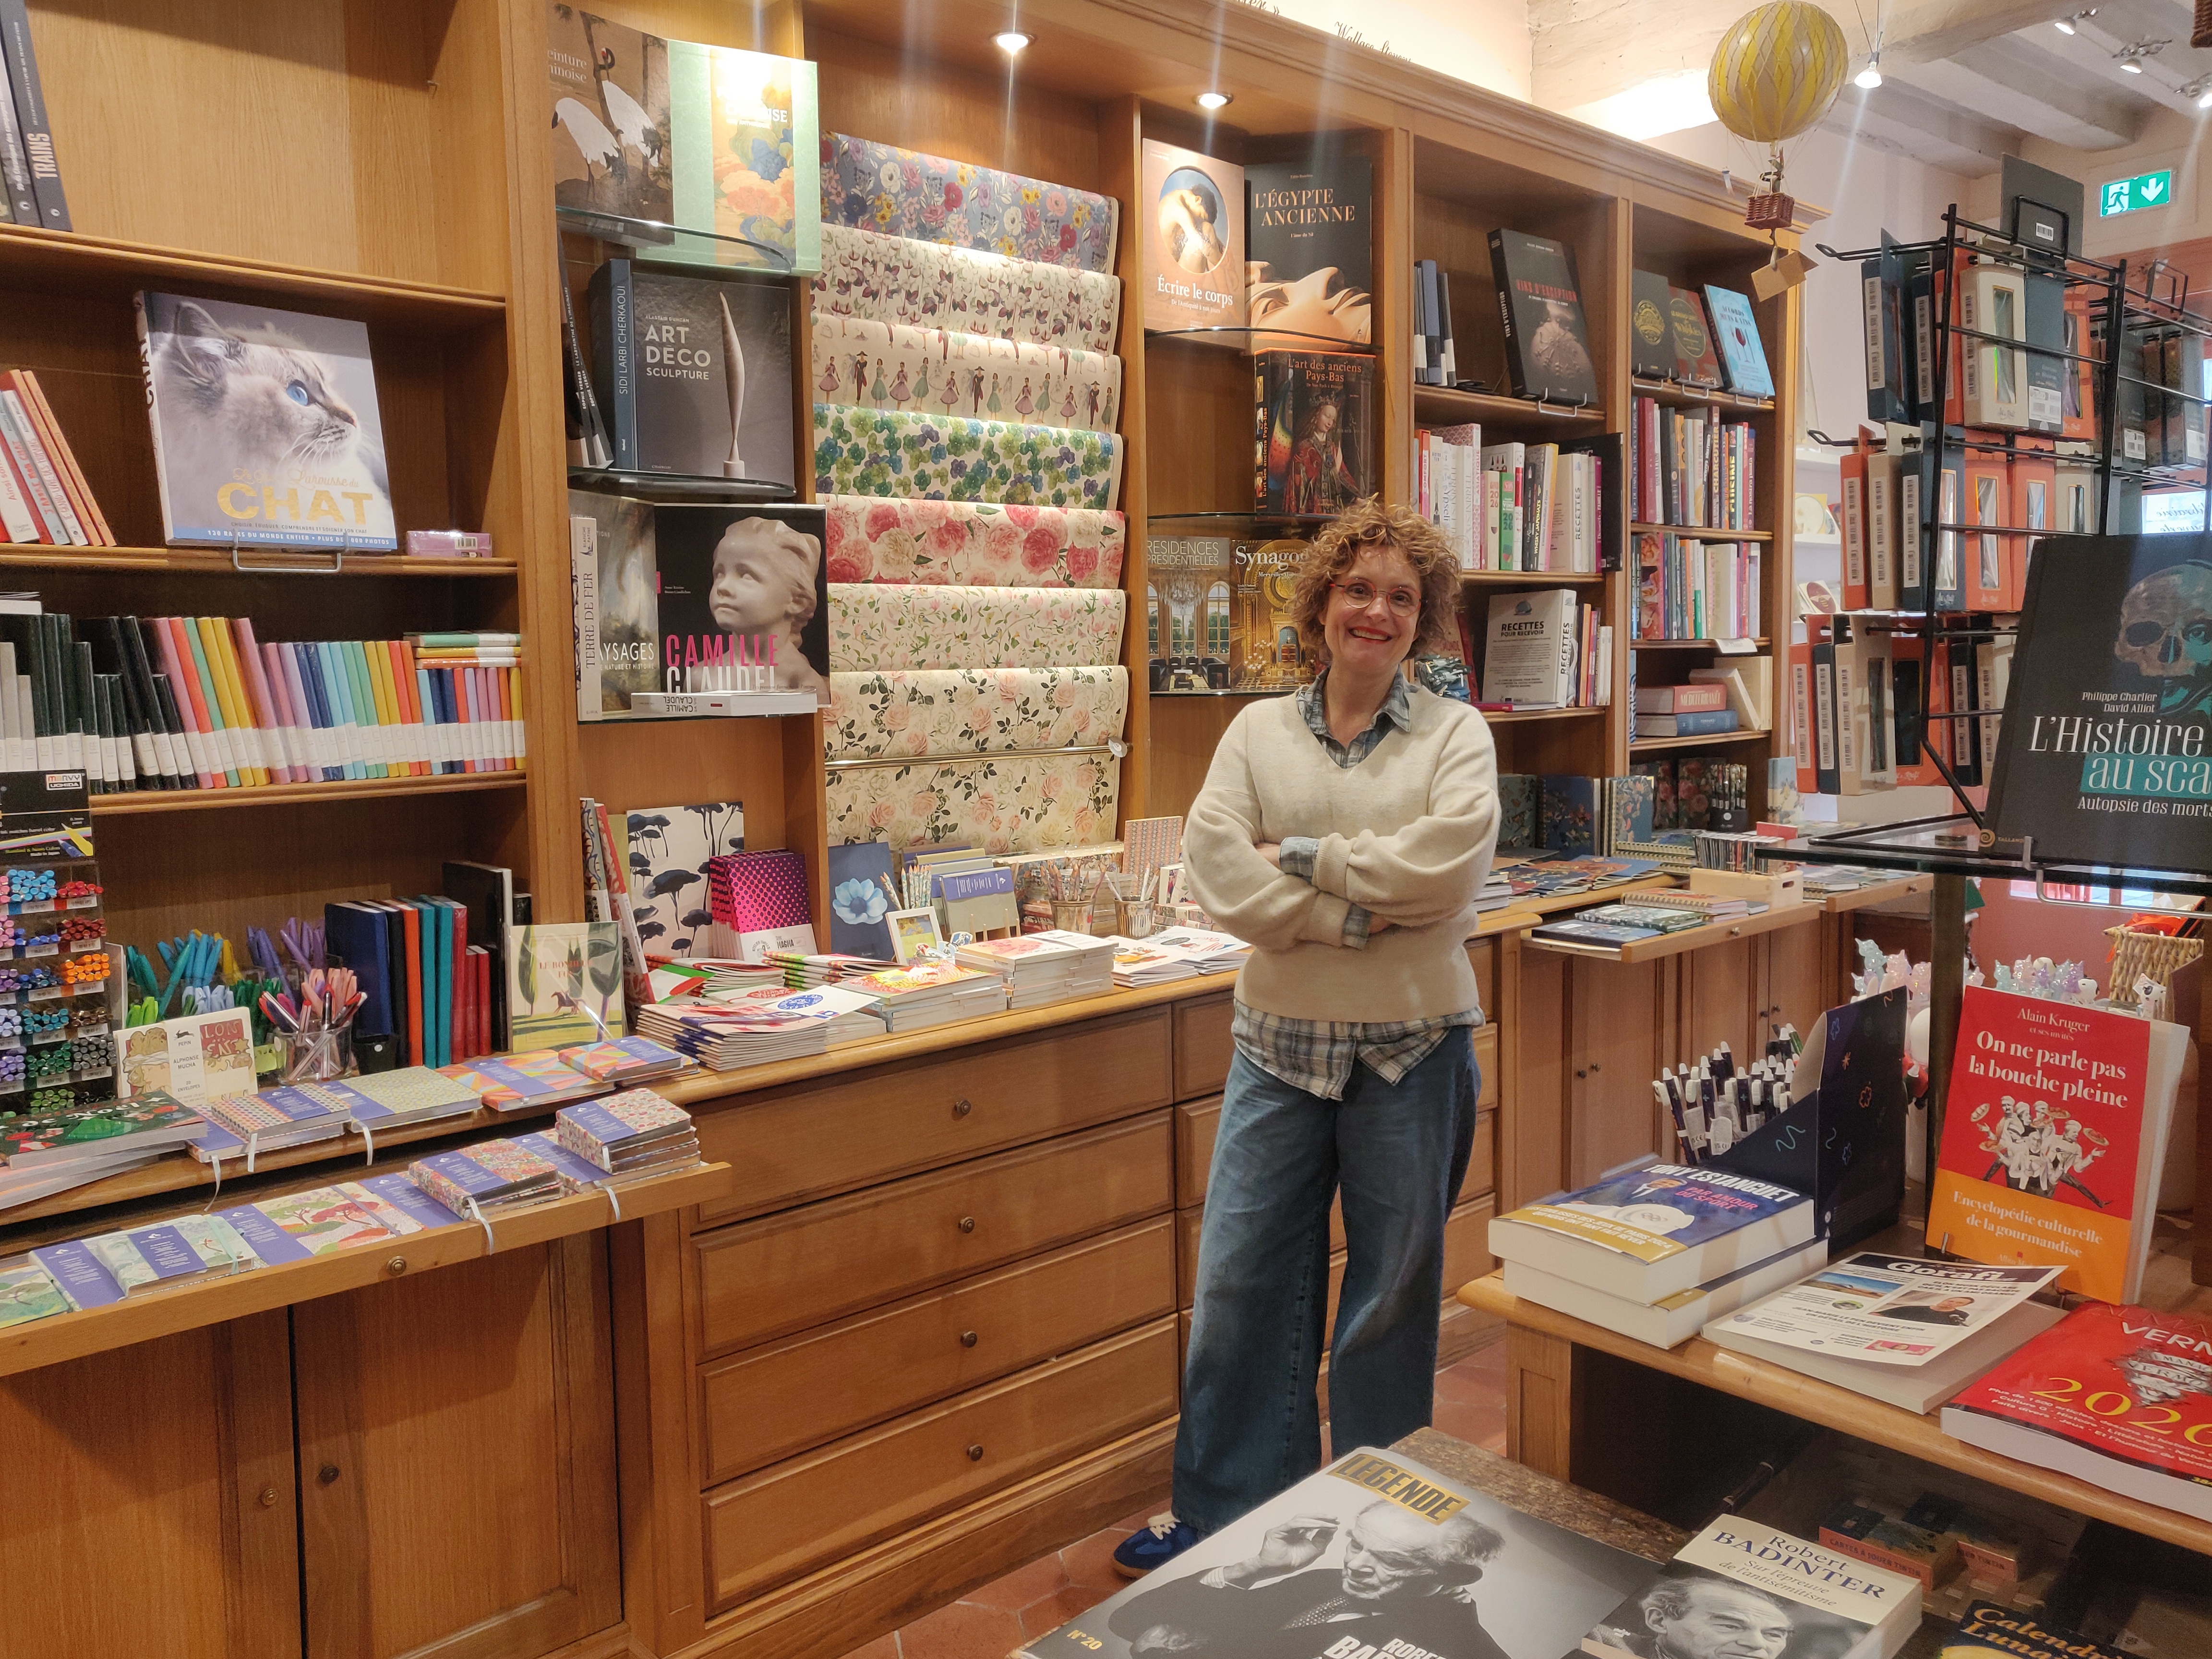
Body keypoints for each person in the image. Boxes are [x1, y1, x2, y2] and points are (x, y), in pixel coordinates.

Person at [1114, 497, 1497, 1575]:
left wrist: (1307, 857)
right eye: (1357, 589)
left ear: (1423, 622)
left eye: (1401, 597)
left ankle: (1377, 1532)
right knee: (1240, 1283)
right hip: (1276, 1045)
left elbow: (1449, 869)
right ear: (1322, 602)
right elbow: (1216, 872)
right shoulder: (1255, 732)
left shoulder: (1456, 735)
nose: (1375, 610)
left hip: (1413, 1048)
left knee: (1386, 1300)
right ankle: (1226, 1520)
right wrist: (1357, 911)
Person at [1108, 1502, 1509, 1659]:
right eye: (1356, 1545)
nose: (1356, 1565)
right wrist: (1258, 1568)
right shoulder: (1324, 1583)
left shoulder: (1467, 1649)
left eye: (1390, 1560)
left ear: (1455, 1575)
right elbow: (1129, 1620)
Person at [702, 514, 826, 698]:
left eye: (746, 575)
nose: (723, 587)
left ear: (796, 601)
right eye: (719, 573)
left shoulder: (804, 684)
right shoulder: (702, 677)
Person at [1586, 1573, 1795, 1659]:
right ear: (1659, 1621)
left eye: (1774, 1634)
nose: (1757, 1644)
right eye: (1730, 1626)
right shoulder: (1603, 1642)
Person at [1875, 1294, 1974, 1326]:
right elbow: (1880, 1314)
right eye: (1952, 1300)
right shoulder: (1915, 1308)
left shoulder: (1961, 1315)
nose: (1952, 1303)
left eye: (1959, 1303)